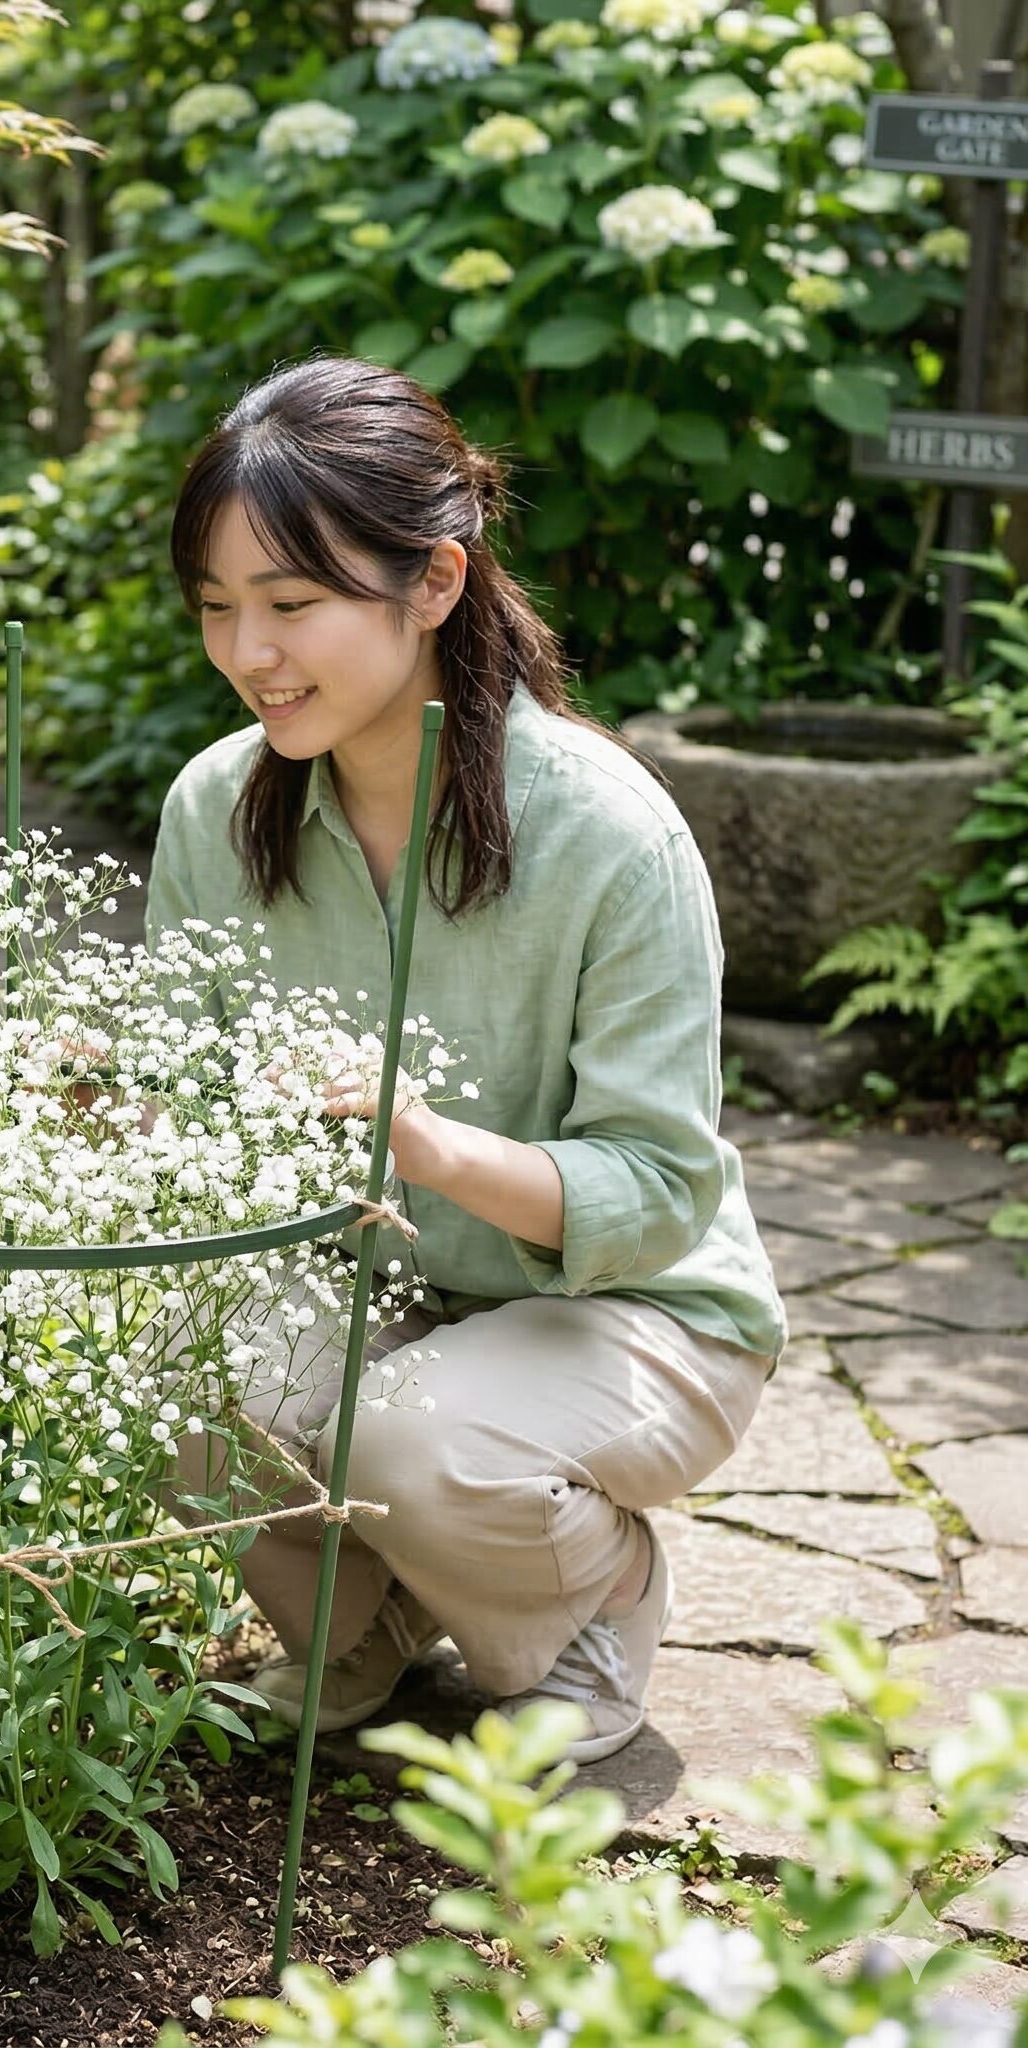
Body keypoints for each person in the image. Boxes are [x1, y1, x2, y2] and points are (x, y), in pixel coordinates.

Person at [146, 355, 787, 1764]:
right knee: (164, 1355)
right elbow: (193, 1136)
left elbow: (659, 1188)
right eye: (218, 607)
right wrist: (113, 1106)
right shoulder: (215, 810)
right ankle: (354, 1636)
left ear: (434, 584)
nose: (251, 651)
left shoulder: (610, 832)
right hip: (376, 1282)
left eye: (294, 603)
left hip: (635, 1309)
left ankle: (592, 1610)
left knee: (417, 1436)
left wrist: (424, 1144)